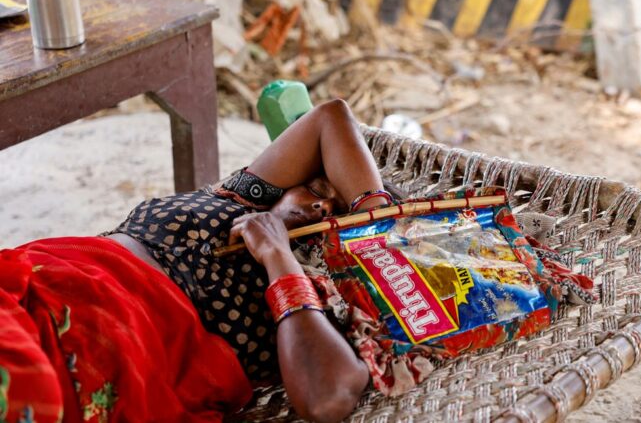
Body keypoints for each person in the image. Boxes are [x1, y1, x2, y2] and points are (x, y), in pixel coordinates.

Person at [0, 99, 390, 423]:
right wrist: (377, 215)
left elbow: (327, 398)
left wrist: (279, 257)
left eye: (335, 215)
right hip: (46, 289)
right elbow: (330, 117)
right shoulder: (235, 198)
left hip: (115, 356)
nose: (323, 207)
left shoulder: (332, 302)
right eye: (318, 189)